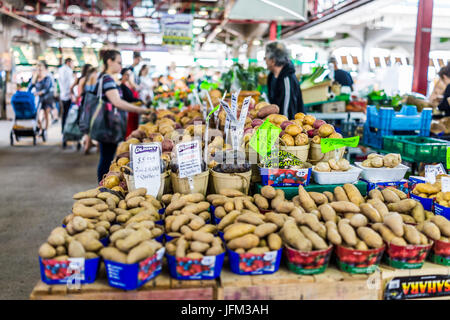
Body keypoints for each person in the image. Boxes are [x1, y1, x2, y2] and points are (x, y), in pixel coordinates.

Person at [94, 50, 150, 183]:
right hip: (108, 125)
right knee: (106, 158)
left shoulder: (107, 78)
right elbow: (117, 102)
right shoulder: (106, 78)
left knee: (107, 156)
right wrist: (141, 110)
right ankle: (103, 186)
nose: (121, 66)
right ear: (109, 61)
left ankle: (104, 184)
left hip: (109, 124)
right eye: (119, 62)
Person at [265, 42, 304, 119]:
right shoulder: (272, 76)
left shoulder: (287, 80)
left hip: (290, 126)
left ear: (272, 61)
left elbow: (287, 112)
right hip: (275, 122)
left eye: (265, 58)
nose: (265, 61)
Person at [28, 61, 54, 135]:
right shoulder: (34, 79)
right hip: (38, 99)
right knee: (36, 114)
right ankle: (40, 128)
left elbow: (46, 89)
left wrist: (38, 93)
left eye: (41, 69)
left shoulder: (47, 78)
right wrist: (28, 93)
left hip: (47, 98)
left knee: (46, 114)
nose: (39, 71)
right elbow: (29, 87)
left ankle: (45, 130)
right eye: (38, 70)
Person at [120, 67, 142, 138]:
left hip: (132, 111)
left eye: (129, 75)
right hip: (128, 112)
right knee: (129, 131)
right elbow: (129, 99)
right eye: (126, 75)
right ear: (122, 75)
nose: (128, 76)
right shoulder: (122, 86)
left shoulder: (127, 85)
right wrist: (139, 101)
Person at [58, 58, 75, 134]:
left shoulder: (61, 69)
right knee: (69, 114)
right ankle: (67, 131)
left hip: (63, 95)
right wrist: (72, 94)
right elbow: (70, 84)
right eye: (72, 63)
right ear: (68, 62)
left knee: (64, 114)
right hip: (68, 95)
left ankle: (63, 130)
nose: (73, 65)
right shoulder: (68, 70)